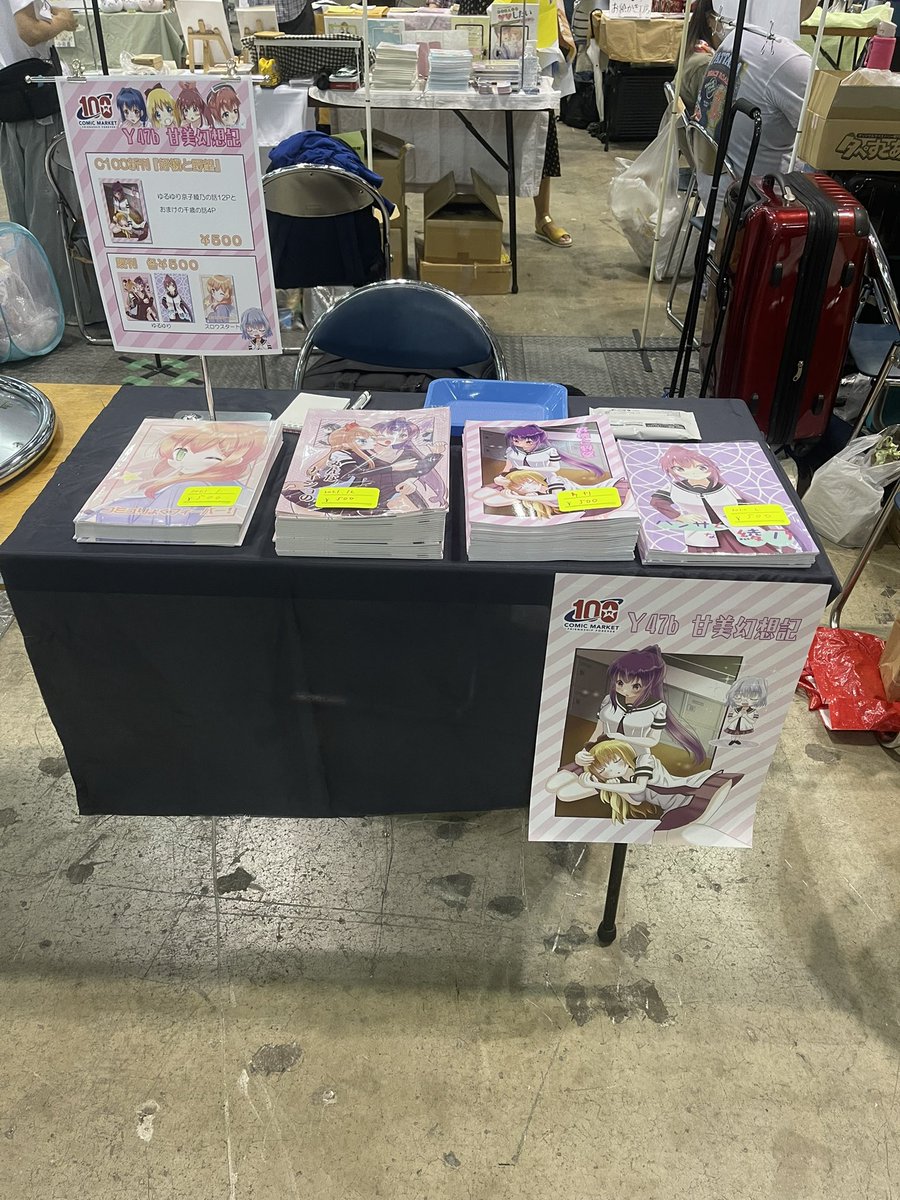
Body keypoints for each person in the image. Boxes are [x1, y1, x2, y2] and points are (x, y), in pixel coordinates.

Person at [457, 0, 572, 248]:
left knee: (540, 123)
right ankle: (480, 213)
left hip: (527, 29)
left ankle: (543, 216)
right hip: (479, 16)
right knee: (473, 124)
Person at [694, 0, 819, 216]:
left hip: (716, 193)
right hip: (754, 210)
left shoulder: (735, 38)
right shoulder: (789, 61)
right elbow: (829, 136)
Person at [0, 0, 81, 321]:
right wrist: (65, 21)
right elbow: (30, 31)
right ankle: (62, 305)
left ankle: (37, 302)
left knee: (24, 205)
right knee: (49, 206)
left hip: (12, 103)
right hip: (34, 101)